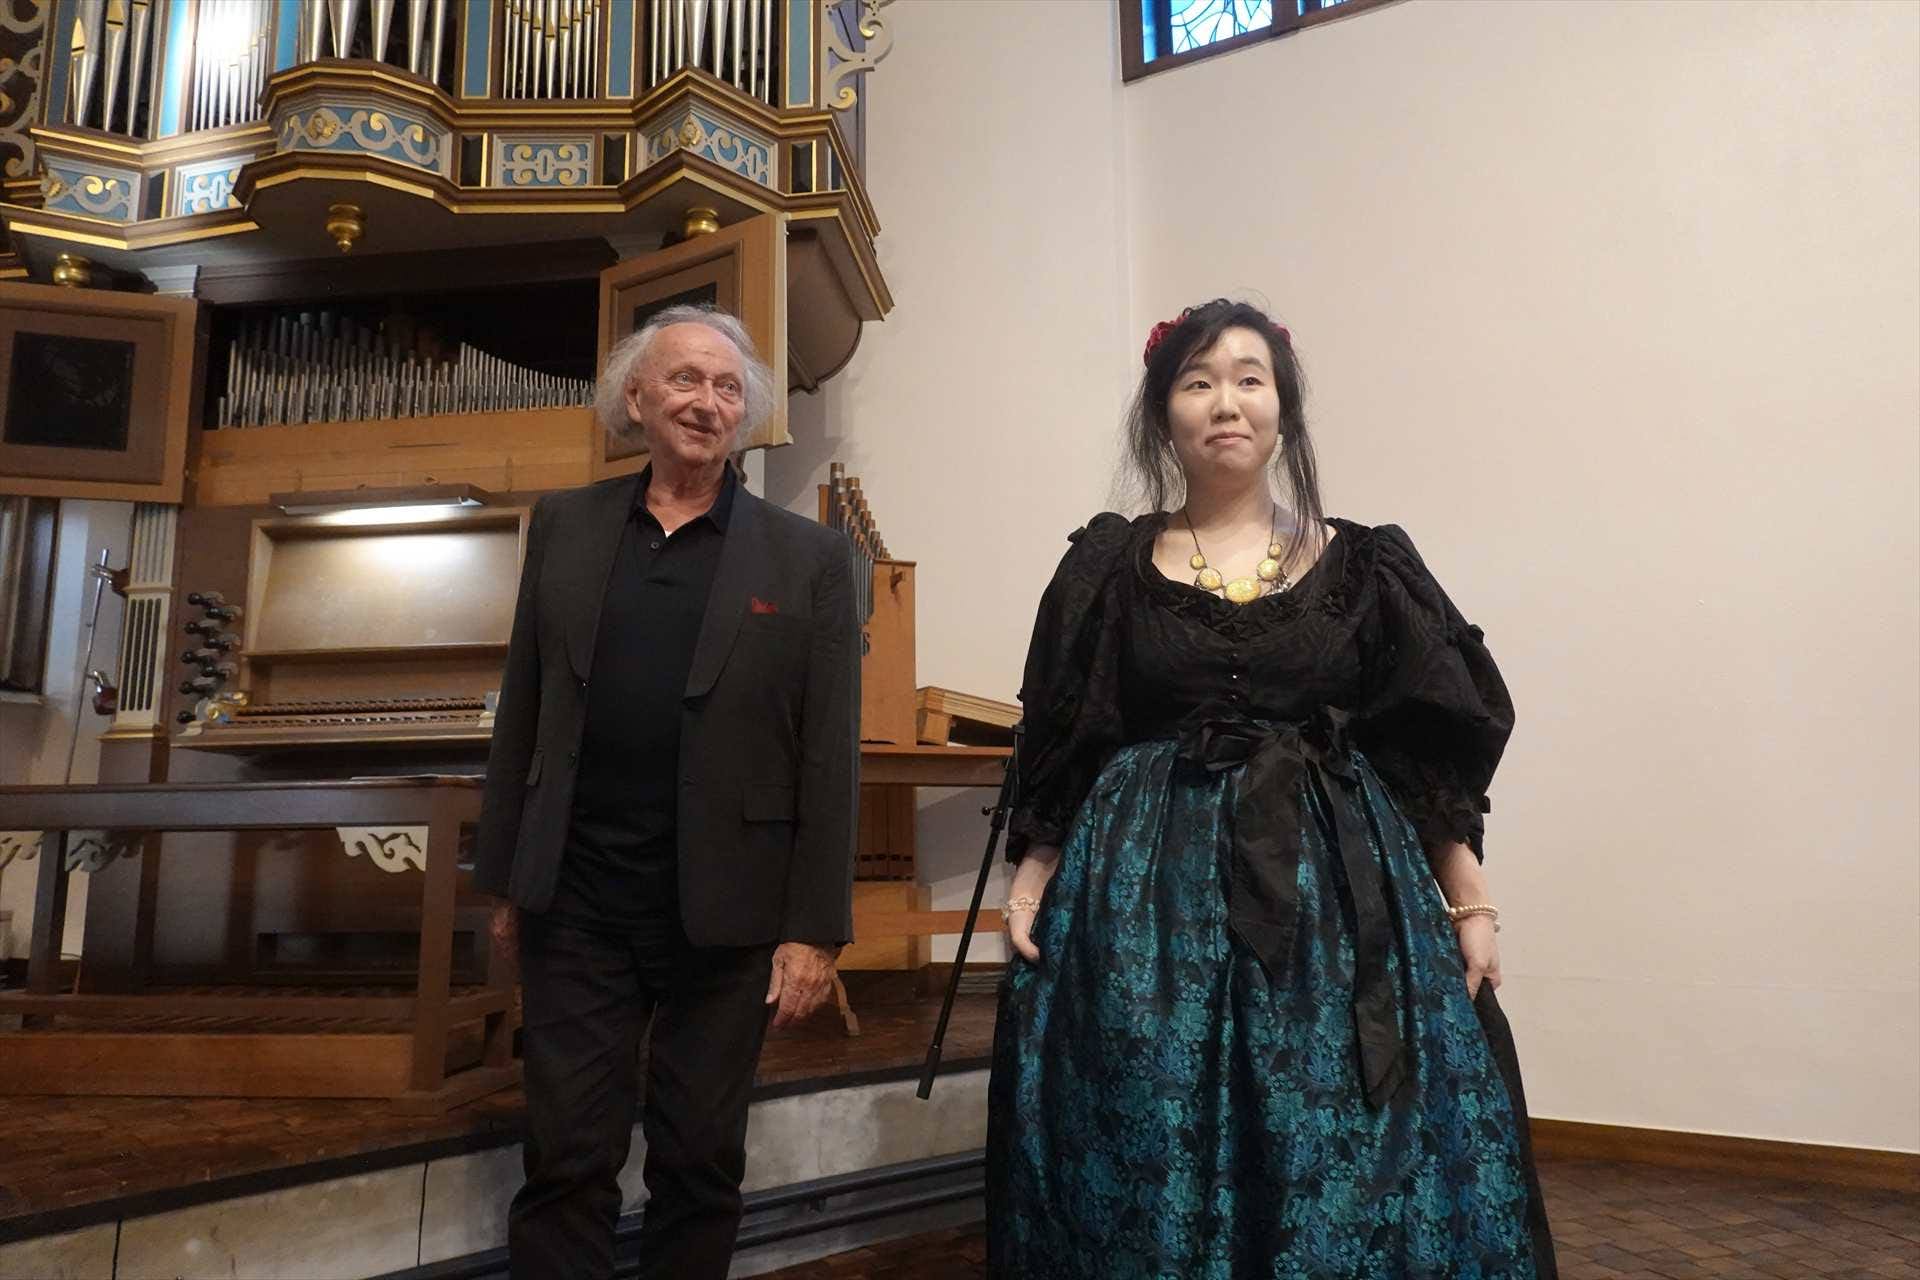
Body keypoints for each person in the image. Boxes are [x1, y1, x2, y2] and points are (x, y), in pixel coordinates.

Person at [986, 299, 1558, 1276]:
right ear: (1162, 414)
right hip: (1145, 910)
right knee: (1147, 1122)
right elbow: (1073, 734)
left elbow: (1423, 749)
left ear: (1282, 411)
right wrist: (1032, 875)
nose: (1226, 402)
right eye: (1198, 381)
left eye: (1249, 379)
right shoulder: (1105, 570)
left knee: (1348, 1136)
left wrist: (1470, 898)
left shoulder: (1366, 564)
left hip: (1336, 900)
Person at [473, 304, 860, 1280]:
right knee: (565, 1155)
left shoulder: (807, 556)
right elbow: (526, 705)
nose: (707, 402)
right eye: (685, 379)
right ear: (637, 397)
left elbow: (828, 754)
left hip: (727, 910)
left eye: (728, 387)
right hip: (577, 899)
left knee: (698, 1159)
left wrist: (816, 929)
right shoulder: (565, 524)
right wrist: (508, 877)